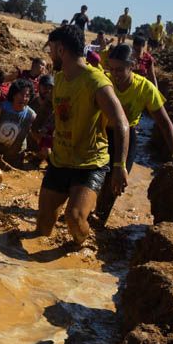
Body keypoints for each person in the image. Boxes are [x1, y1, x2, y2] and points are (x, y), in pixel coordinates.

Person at [25, 25, 129, 253]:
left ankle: (82, 245)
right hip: (61, 160)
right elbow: (48, 106)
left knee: (73, 218)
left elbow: (121, 122)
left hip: (89, 163)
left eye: (51, 49)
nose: (50, 56)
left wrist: (120, 165)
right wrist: (35, 126)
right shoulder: (60, 78)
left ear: (61, 49)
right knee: (42, 227)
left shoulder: (96, 82)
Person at [91, 43, 173, 226]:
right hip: (101, 133)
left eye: (120, 69)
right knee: (91, 176)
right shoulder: (105, 81)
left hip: (126, 137)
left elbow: (164, 123)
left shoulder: (145, 88)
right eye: (112, 68)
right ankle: (80, 210)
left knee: (116, 182)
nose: (115, 74)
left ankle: (99, 220)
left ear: (132, 66)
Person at [0, 78, 38, 168]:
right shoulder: (3, 107)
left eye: (27, 95)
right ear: (14, 94)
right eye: (21, 94)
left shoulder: (31, 115)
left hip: (15, 158)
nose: (24, 98)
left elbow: (38, 134)